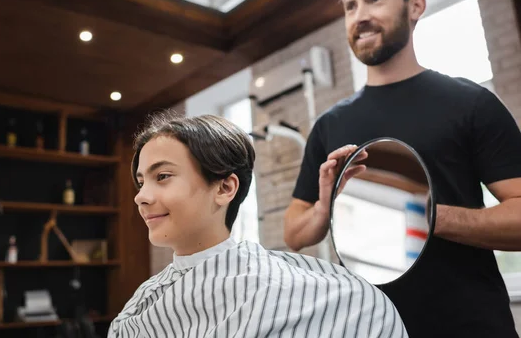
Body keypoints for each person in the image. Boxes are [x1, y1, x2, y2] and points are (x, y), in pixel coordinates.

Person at [284, 0, 521, 338]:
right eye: (351, 6)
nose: (360, 16)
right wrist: (325, 207)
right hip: (372, 328)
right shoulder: (329, 124)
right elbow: (295, 233)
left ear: (416, 5)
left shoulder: (470, 102)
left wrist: (424, 217)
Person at [108, 111, 407, 337]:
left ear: (225, 188)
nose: (141, 197)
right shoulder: (142, 303)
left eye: (162, 177)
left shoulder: (330, 295)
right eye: (141, 182)